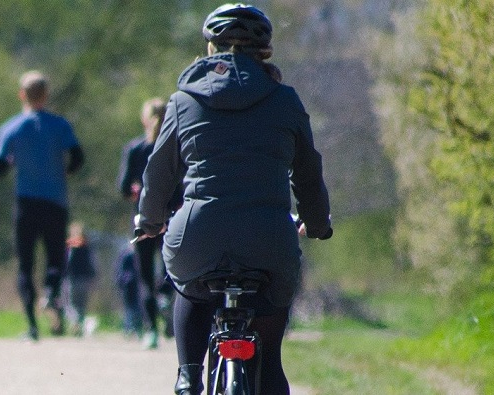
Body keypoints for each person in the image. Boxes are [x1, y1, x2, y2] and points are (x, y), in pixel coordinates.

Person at [134, 4, 333, 395]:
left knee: (189, 287)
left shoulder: (182, 102)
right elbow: (308, 174)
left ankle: (189, 376)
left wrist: (149, 219)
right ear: (265, 54)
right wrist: (318, 222)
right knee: (270, 361)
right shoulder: (285, 101)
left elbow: (158, 174)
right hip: (269, 240)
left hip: (198, 236)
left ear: (210, 49)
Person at [0, 70, 84, 341]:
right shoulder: (60, 125)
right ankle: (51, 291)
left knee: (26, 264)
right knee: (56, 257)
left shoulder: (10, 128)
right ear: (46, 95)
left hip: (26, 203)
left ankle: (32, 327)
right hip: (55, 200)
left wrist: (13, 162)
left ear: (22, 95)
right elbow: (78, 157)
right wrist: (63, 171)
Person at [118, 97, 178, 349]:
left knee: (144, 276)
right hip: (173, 217)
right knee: (171, 268)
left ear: (144, 119)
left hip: (142, 219)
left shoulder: (135, 149)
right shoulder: (176, 146)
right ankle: (166, 297)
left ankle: (151, 329)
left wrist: (136, 189)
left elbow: (123, 187)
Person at [62, 222, 97, 338]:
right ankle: (80, 327)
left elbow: (66, 263)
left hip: (72, 279)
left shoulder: (69, 246)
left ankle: (76, 323)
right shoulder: (87, 246)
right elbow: (92, 263)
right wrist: (92, 277)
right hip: (85, 280)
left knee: (70, 304)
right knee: (82, 305)